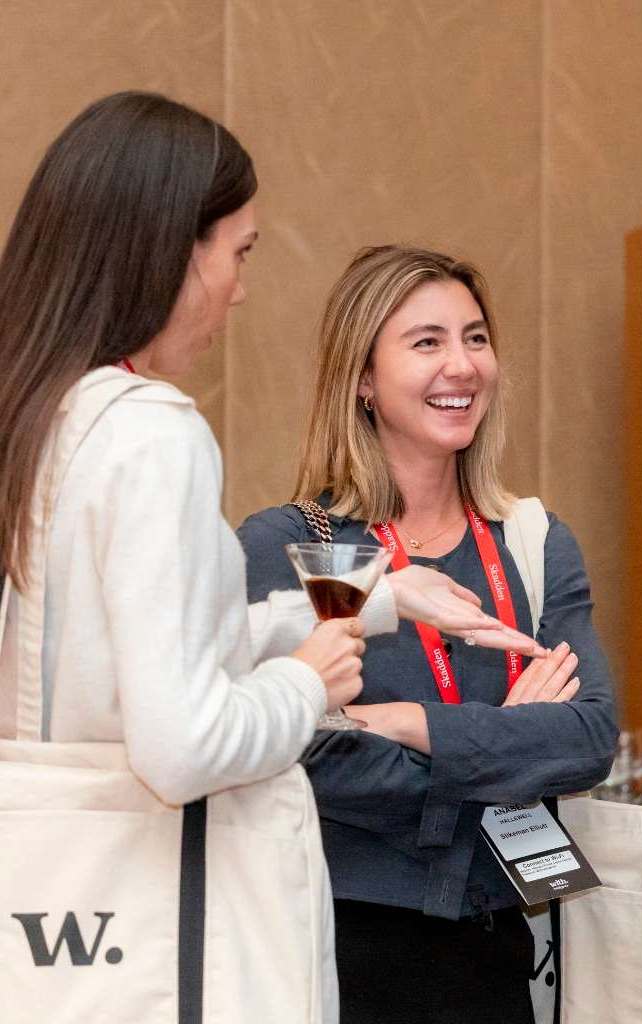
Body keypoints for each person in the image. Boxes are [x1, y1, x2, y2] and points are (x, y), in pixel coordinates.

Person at [0, 93, 538, 1018]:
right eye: (238, 252)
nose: (241, 286)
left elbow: (158, 644)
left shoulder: (51, 418)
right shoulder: (155, 434)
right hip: (162, 921)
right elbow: (184, 746)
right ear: (172, 247)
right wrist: (306, 682)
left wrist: (377, 599)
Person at [238, 244, 619, 1024]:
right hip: (337, 946)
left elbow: (588, 737)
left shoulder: (533, 544)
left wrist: (414, 725)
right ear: (364, 380)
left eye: (476, 338)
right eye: (427, 342)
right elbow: (303, 757)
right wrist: (508, 744)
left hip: (497, 952)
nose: (463, 365)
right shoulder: (295, 547)